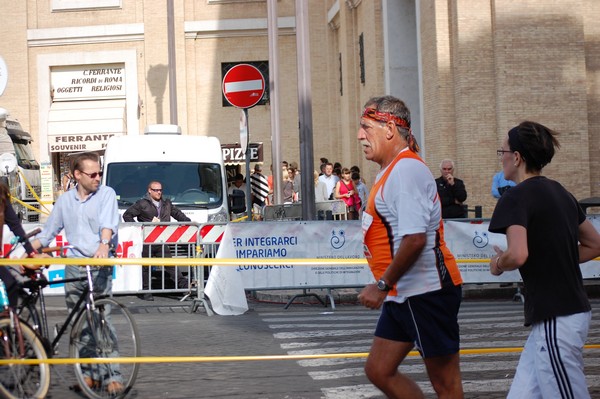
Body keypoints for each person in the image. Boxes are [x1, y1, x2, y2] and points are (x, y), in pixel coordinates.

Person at [356, 95, 464, 398]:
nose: (360, 135)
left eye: (366, 127)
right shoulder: (391, 170)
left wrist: (381, 284)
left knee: (446, 384)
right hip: (402, 293)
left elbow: (415, 239)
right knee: (379, 369)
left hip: (425, 292)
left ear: (390, 128)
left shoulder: (405, 171)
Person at [488, 121, 600, 399]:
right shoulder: (561, 192)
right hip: (562, 313)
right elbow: (595, 244)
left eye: (502, 150)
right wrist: (555, 258)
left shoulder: (515, 198)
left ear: (516, 157)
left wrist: (498, 264)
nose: (500, 155)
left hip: (556, 316)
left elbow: (518, 254)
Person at [31, 152, 124, 395]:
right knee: (80, 324)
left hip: (98, 266)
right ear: (77, 175)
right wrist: (26, 251)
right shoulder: (65, 202)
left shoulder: (106, 194)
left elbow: (108, 224)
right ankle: (88, 374)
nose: (97, 178)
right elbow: (47, 233)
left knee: (102, 321)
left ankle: (112, 375)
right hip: (74, 265)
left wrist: (104, 244)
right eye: (92, 174)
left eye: (99, 173)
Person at [122, 180, 192, 300]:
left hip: (161, 241)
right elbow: (127, 215)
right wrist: (138, 228)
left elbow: (177, 214)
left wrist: (190, 223)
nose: (159, 192)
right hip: (146, 241)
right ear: (149, 191)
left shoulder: (166, 203)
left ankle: (184, 288)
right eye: (156, 190)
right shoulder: (142, 203)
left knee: (171, 265)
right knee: (145, 267)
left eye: (160, 190)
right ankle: (146, 292)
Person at [0, 183, 47, 309]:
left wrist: (31, 252)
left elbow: (15, 225)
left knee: (11, 285)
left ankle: (11, 322)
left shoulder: (1, 194)